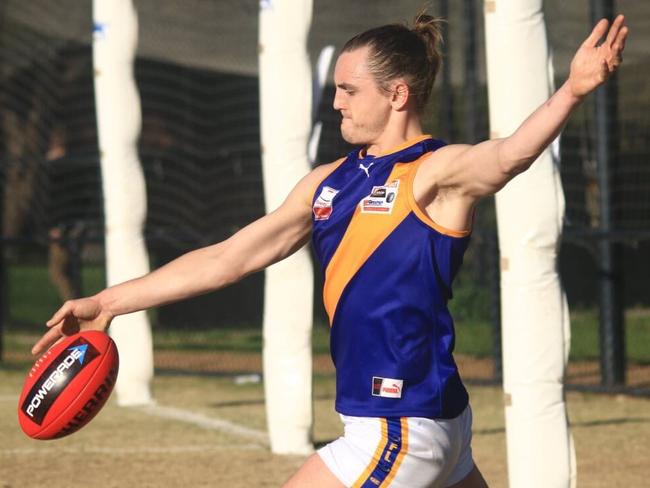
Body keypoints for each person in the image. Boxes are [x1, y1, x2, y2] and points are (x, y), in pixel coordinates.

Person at [32, 12, 628, 488]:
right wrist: (110, 301)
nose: (337, 102)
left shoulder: (433, 173)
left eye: (349, 89)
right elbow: (228, 258)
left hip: (399, 427)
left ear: (397, 94)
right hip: (431, 424)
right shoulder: (328, 182)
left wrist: (572, 90)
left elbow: (507, 156)